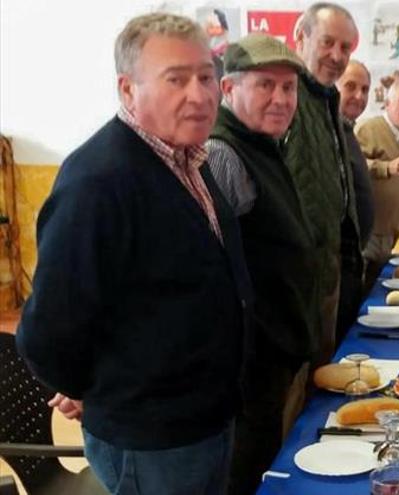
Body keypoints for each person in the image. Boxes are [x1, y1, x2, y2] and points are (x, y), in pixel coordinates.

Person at [16, 13, 252, 494]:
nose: (200, 94)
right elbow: (46, 333)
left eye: (207, 77)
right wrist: (100, 391)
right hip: (153, 442)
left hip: (206, 421)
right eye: (176, 80)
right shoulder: (99, 182)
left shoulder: (190, 158)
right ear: (128, 90)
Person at [205, 33, 313, 495]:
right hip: (248, 365)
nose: (281, 98)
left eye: (288, 88)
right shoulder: (223, 153)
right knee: (246, 474)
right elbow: (209, 270)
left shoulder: (262, 143)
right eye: (265, 85)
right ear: (229, 90)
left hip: (271, 353)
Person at [289, 2, 360, 365]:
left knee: (319, 378)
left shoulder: (327, 98)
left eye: (345, 48)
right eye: (328, 42)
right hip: (297, 279)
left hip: (328, 270)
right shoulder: (287, 97)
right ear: (300, 37)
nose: (337, 55)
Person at [356, 80, 399, 288]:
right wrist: (386, 167)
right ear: (387, 103)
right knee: (358, 304)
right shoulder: (369, 129)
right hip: (365, 238)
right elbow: (350, 167)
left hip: (388, 237)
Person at [335, 59, 374, 342]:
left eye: (365, 89)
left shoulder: (346, 130)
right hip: (333, 269)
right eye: (350, 86)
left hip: (350, 263)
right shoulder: (329, 131)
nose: (359, 96)